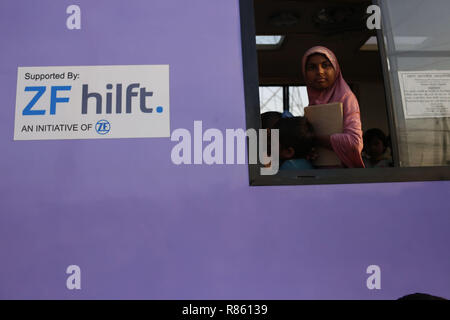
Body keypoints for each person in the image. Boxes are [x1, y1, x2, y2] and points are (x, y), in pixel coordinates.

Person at [301, 46, 365, 168]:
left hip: (342, 176)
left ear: (335, 69)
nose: (319, 71)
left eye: (325, 65)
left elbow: (354, 143)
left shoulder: (346, 97)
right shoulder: (313, 102)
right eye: (312, 67)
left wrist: (315, 139)